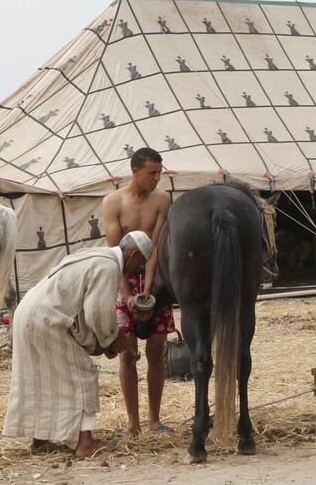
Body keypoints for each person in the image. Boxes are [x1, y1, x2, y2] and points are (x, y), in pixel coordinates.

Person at [3, 232, 150, 456]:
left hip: (28, 313)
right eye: (141, 262)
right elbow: (97, 313)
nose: (140, 268)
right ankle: (85, 443)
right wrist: (112, 338)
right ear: (134, 254)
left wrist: (103, 342)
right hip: (45, 319)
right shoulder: (108, 267)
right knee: (82, 374)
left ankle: (40, 441)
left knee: (40, 377)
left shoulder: (95, 254)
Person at [101, 147, 173, 435]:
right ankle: (133, 424)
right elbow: (115, 253)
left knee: (157, 351)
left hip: (154, 282)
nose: (157, 178)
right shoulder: (113, 202)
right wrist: (128, 295)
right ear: (135, 171)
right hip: (123, 279)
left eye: (159, 172)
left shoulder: (162, 200)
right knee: (127, 353)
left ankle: (154, 420)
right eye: (151, 173)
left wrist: (149, 290)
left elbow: (154, 247)